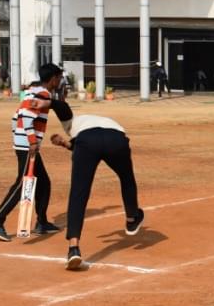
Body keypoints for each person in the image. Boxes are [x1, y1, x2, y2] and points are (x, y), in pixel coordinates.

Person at [0, 63, 72, 241]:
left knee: (44, 183)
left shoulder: (36, 91)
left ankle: (42, 222)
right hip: (26, 145)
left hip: (24, 143)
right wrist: (31, 141)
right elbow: (24, 116)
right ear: (53, 78)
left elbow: (17, 116)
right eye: (59, 78)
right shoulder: (41, 93)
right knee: (23, 184)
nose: (60, 81)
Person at [49, 113, 145, 271]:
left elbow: (86, 146)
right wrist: (65, 144)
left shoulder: (75, 126)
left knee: (78, 192)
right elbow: (97, 141)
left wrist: (66, 143)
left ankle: (73, 248)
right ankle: (132, 218)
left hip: (87, 141)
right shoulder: (106, 121)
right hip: (116, 139)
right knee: (126, 178)